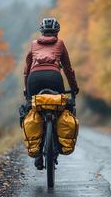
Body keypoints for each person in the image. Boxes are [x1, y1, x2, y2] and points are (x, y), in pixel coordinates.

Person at [23, 18, 79, 170]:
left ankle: (38, 153)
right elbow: (68, 69)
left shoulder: (34, 44)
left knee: (32, 108)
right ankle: (55, 146)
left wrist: (26, 89)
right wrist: (74, 87)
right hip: (54, 77)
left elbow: (27, 69)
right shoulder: (60, 44)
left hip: (34, 79)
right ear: (57, 32)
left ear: (42, 32)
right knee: (61, 108)